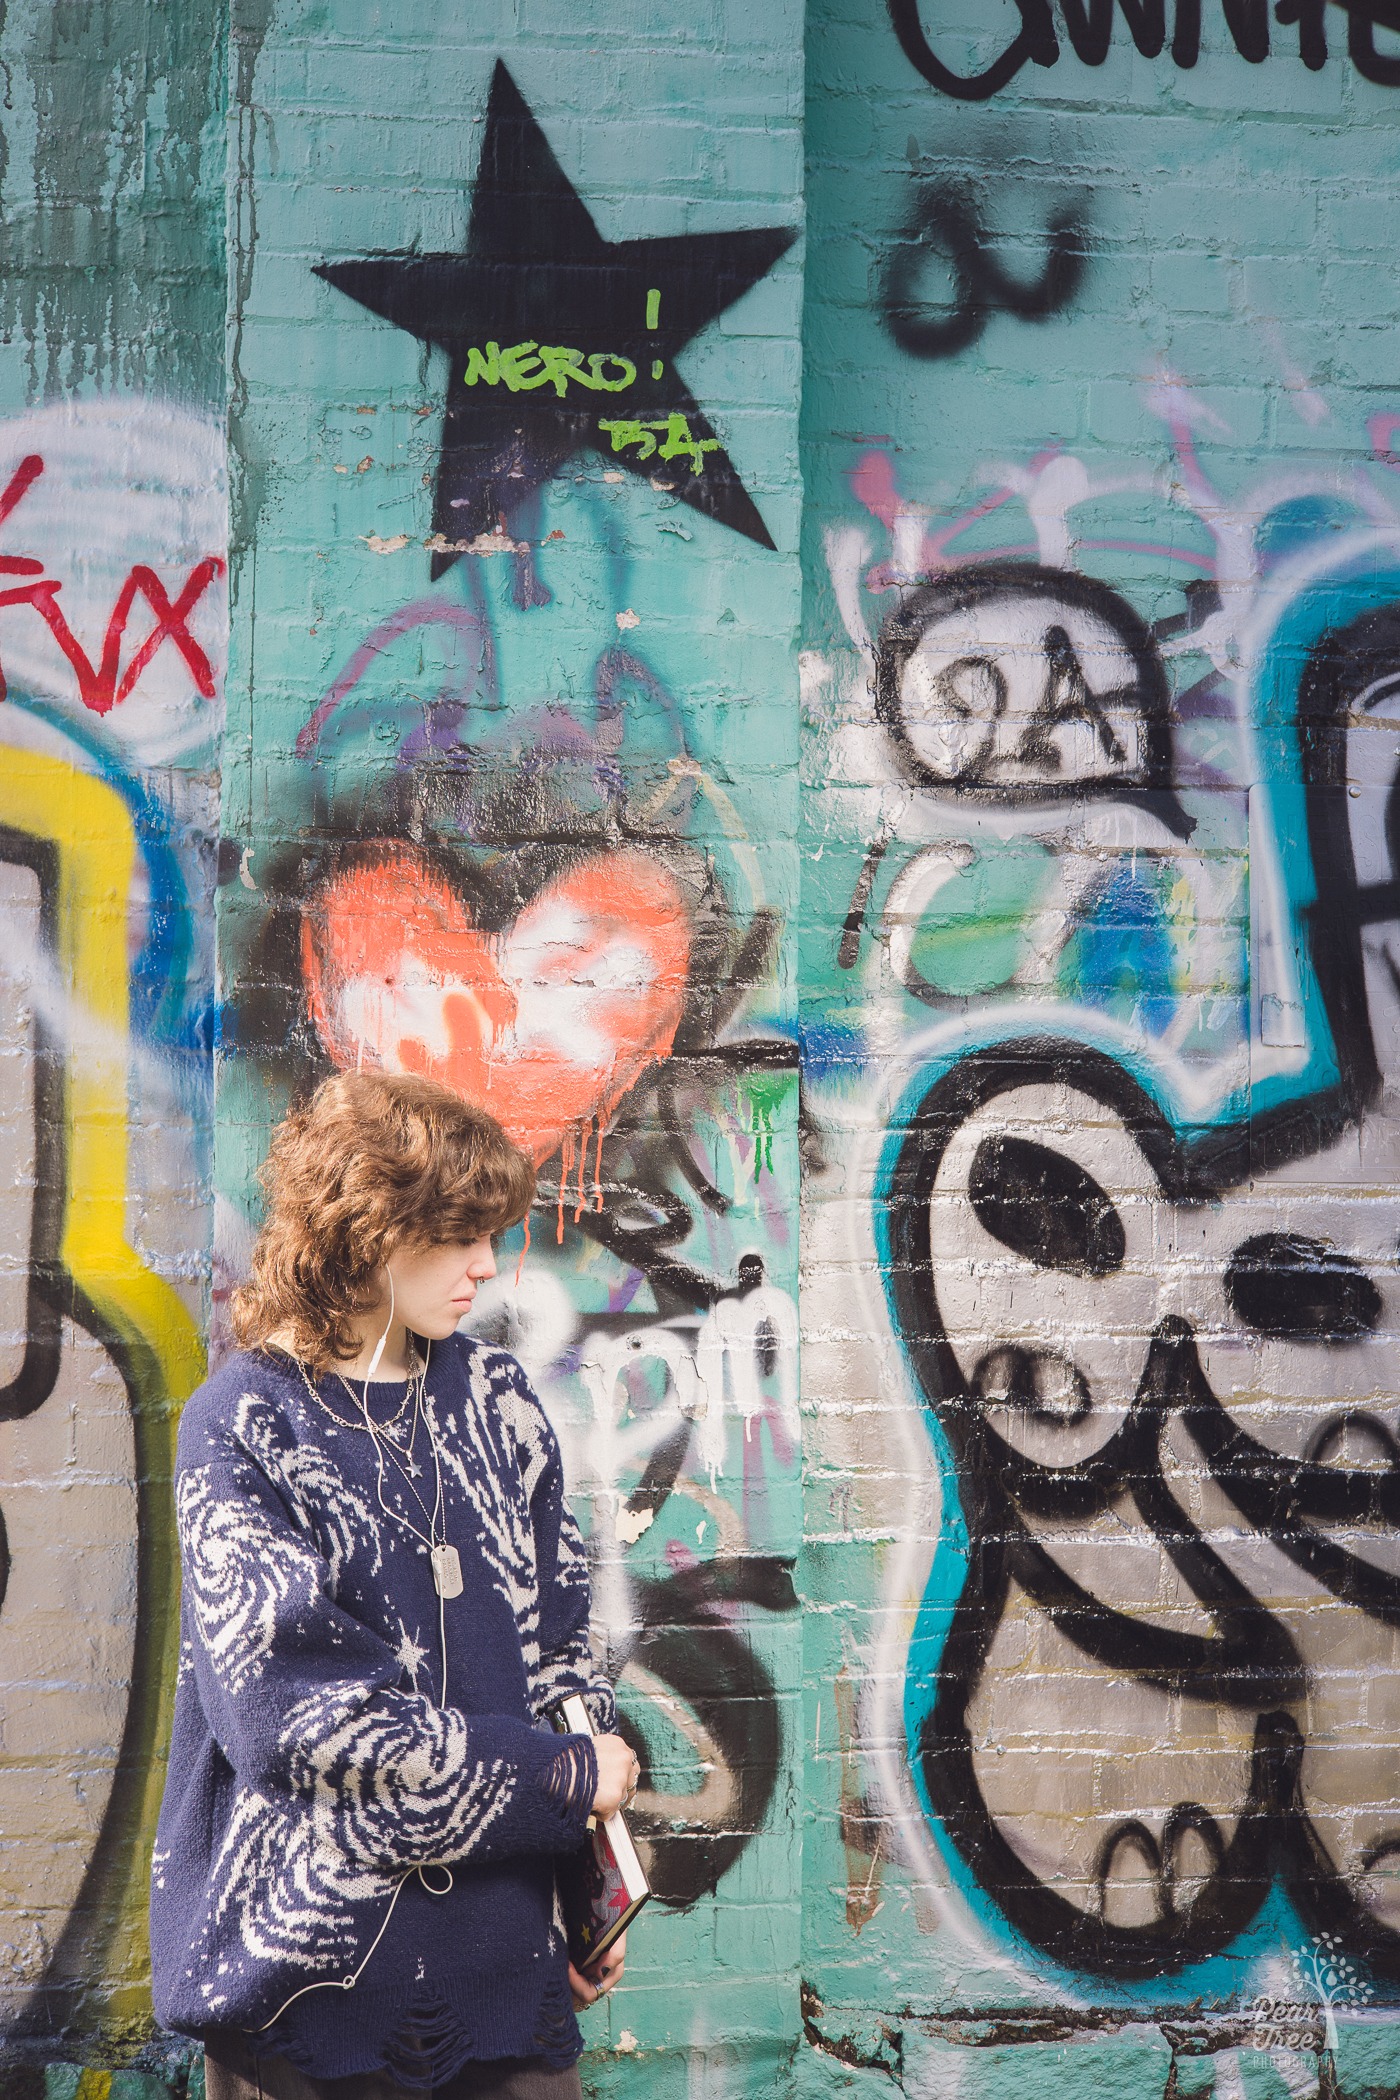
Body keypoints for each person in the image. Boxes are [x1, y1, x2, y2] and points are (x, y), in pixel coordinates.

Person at [150, 1071, 639, 2100]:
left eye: (490, 1234)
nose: (485, 1266)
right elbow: (297, 1728)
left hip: (509, 1974)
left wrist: (585, 1880)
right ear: (369, 1227)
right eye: (459, 1235)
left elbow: (557, 1648)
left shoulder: (496, 1402)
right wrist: (555, 1781)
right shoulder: (244, 1425)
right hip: (306, 1996)